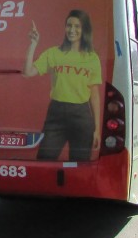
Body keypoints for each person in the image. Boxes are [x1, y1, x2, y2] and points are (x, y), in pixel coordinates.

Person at [23, 9, 101, 161]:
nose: (72, 30)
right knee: (45, 161)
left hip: (81, 115)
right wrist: (33, 45)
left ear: (84, 29)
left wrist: (97, 129)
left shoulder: (92, 58)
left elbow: (95, 95)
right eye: (69, 25)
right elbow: (28, 72)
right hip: (56, 112)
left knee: (79, 165)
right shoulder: (53, 53)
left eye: (77, 26)